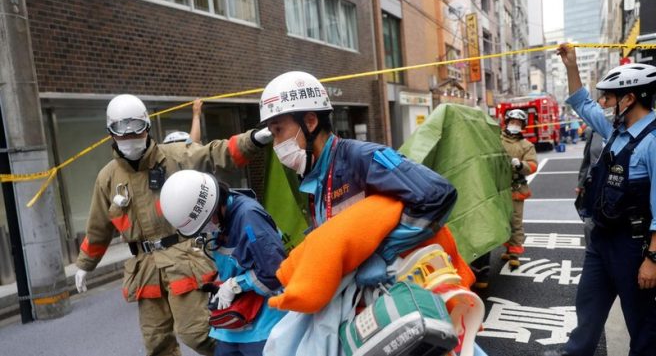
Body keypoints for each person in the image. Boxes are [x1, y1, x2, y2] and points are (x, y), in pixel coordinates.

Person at [73, 94, 273, 356]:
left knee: (198, 333)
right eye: (121, 129)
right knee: (157, 344)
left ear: (147, 126)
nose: (130, 135)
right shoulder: (108, 178)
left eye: (136, 126)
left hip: (182, 258)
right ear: (111, 132)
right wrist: (84, 264)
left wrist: (253, 140)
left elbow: (214, 153)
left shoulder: (175, 156)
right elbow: (98, 227)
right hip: (144, 268)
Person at [260, 70, 457, 272]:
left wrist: (382, 251)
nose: (276, 143)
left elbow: (438, 195)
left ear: (310, 122)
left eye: (278, 131)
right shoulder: (315, 176)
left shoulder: (362, 157)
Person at [544, 44, 656, 356]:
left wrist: (653, 260)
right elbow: (582, 103)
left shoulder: (653, 141)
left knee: (643, 324)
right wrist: (571, 66)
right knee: (589, 305)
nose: (602, 103)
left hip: (635, 248)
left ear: (629, 98)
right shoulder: (617, 129)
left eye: (608, 97)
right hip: (602, 239)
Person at [160, 170, 287, 356]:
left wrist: (235, 285)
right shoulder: (222, 220)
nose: (206, 229)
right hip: (235, 323)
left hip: (265, 322)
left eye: (205, 223)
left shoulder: (249, 218)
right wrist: (221, 285)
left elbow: (275, 272)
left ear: (214, 206)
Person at [500, 109, 537, 270]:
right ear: (506, 122)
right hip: (498, 188)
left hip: (516, 188)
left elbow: (533, 165)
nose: (515, 125)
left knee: (515, 221)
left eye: (518, 123)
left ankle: (514, 254)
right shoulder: (496, 140)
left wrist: (521, 165)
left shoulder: (526, 145)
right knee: (499, 220)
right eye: (512, 122)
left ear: (523, 126)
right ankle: (508, 248)